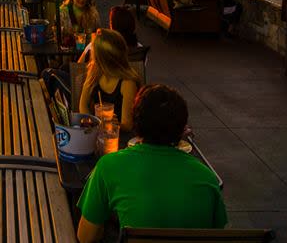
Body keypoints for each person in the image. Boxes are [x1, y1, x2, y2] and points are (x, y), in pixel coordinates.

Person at [76, 84, 227, 242]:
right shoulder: (208, 178)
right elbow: (217, 235)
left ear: (136, 122)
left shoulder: (109, 167)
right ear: (182, 128)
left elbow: (85, 237)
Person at [78, 29, 141, 131]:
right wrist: (93, 123)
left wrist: (114, 124)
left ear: (101, 57)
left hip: (118, 136)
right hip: (97, 131)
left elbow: (128, 125)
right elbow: (83, 104)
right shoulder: (95, 72)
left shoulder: (127, 83)